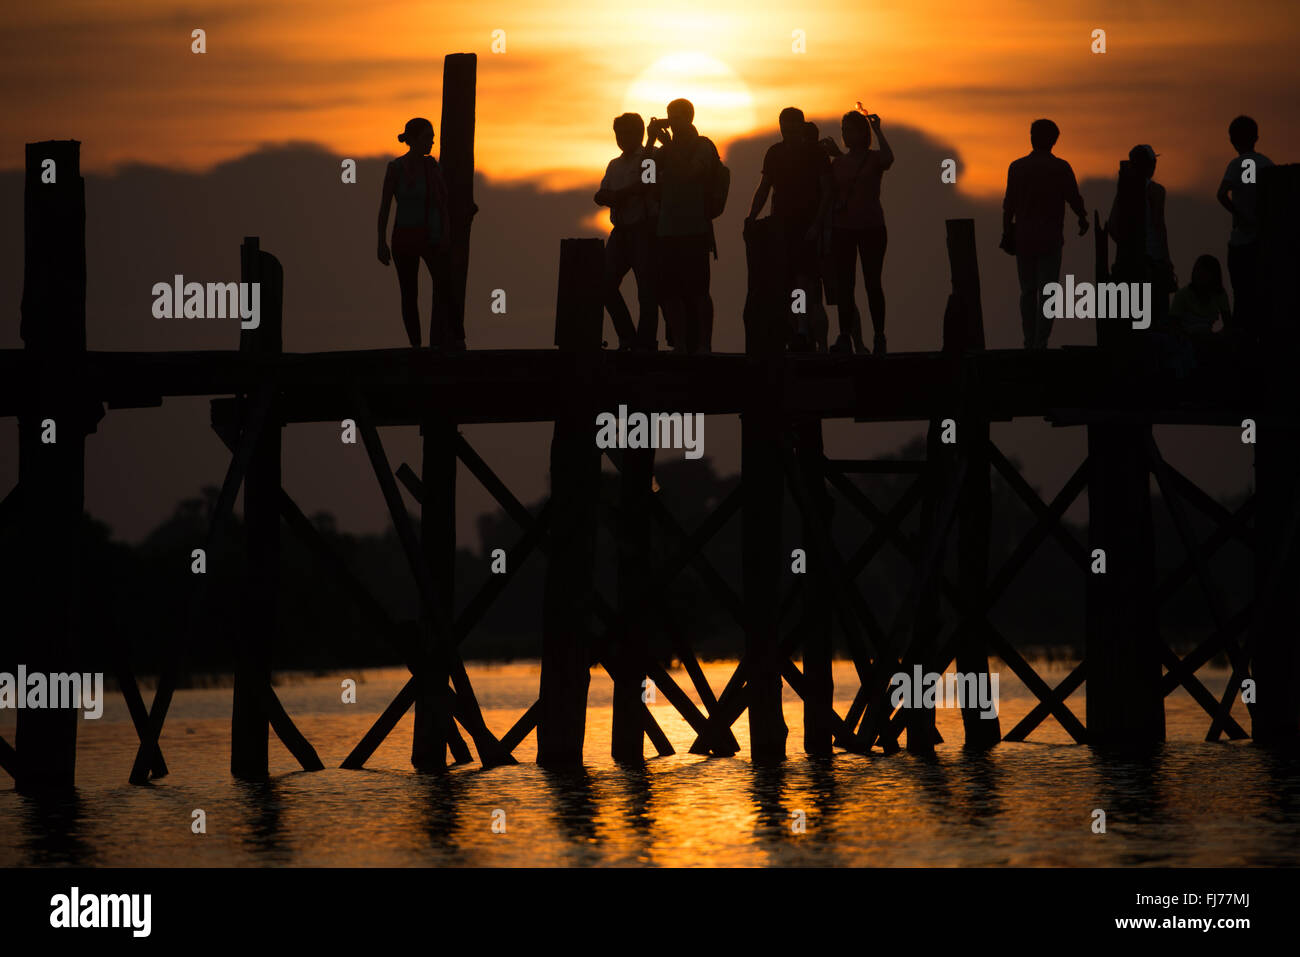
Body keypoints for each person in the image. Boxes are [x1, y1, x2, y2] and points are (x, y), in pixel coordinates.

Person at [745, 107, 833, 352]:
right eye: (783, 124)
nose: (786, 129)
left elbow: (827, 191)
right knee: (788, 284)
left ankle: (808, 334)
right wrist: (752, 215)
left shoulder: (816, 153)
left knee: (806, 284)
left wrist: (817, 223)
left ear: (800, 125)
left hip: (808, 225)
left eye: (791, 124)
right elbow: (765, 186)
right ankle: (797, 332)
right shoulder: (774, 153)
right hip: (781, 225)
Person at [1001, 118, 1088, 350]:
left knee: (1028, 291)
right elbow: (1074, 199)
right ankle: (1041, 341)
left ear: (1032, 138)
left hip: (1025, 239)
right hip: (1050, 240)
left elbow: (1008, 205)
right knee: (1048, 291)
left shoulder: (1017, 167)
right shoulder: (1061, 168)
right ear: (1054, 141)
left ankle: (1029, 340)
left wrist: (1006, 231)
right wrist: (1083, 218)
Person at [377, 117, 458, 350]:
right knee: (409, 293)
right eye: (426, 138)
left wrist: (445, 234)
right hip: (404, 238)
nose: (431, 143)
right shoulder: (396, 169)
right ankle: (416, 345)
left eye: (432, 138)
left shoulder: (433, 167)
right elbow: (384, 208)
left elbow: (443, 205)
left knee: (445, 285)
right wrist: (380, 242)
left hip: (431, 237)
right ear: (412, 140)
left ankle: (455, 336)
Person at [649, 99, 722, 354]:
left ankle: (704, 343)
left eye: (677, 116)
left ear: (689, 118)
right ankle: (680, 343)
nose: (673, 121)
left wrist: (668, 148)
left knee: (698, 291)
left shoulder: (702, 146)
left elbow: (691, 174)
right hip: (667, 229)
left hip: (695, 228)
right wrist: (650, 142)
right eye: (670, 116)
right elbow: (646, 177)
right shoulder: (663, 151)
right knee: (670, 292)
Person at [822, 109, 892, 355]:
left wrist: (878, 130)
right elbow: (831, 196)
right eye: (843, 130)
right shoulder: (838, 163)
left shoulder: (874, 159)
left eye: (849, 129)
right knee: (845, 285)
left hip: (872, 228)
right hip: (844, 229)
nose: (844, 134)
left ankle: (880, 336)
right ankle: (844, 336)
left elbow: (889, 159)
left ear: (861, 133)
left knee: (873, 283)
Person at [595, 113, 660, 350]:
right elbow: (601, 193)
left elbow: (647, 183)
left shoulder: (652, 156)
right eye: (618, 134)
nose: (621, 138)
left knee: (647, 290)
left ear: (640, 133)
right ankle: (627, 337)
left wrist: (617, 196)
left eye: (626, 133)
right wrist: (613, 197)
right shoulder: (614, 164)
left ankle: (645, 343)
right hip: (620, 232)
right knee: (603, 284)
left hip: (644, 230)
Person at [1216, 115, 1274, 337]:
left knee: (1241, 291)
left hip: (1242, 239)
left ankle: (1242, 334)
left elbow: (1222, 194)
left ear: (1231, 140)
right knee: (1260, 290)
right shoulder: (1267, 163)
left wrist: (1238, 214)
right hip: (1263, 239)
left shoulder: (1238, 164)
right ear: (1256, 138)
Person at [1107, 145, 1174, 328]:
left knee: (1129, 318)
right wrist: (1166, 260)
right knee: (1156, 317)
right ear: (1151, 165)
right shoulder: (1157, 191)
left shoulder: (1122, 192)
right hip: (1153, 260)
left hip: (1127, 263)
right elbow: (1160, 227)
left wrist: (1127, 248)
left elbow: (1112, 226)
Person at [1169, 254, 1231, 339]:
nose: (1199, 276)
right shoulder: (1182, 295)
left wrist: (1217, 338)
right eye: (1197, 272)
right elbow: (1173, 326)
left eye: (1205, 274)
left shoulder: (1219, 294)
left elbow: (1228, 324)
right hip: (1185, 342)